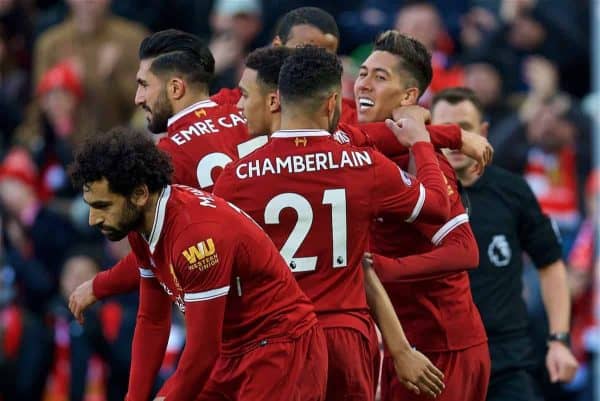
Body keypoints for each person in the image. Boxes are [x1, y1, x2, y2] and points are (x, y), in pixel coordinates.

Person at [214, 45, 449, 401]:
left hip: (275, 340)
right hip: (344, 336)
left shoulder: (235, 178)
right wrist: (421, 142)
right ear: (330, 103)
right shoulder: (363, 166)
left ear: (278, 100)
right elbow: (437, 206)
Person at [69, 127, 327, 401]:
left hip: (279, 347)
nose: (93, 219)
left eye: (103, 206)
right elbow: (153, 320)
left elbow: (203, 352)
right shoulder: (142, 226)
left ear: (140, 194)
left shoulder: (194, 239)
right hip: (232, 351)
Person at [356, 31, 490, 401]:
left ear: (408, 97)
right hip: (400, 343)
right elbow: (344, 137)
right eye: (363, 72)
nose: (363, 84)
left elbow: (465, 250)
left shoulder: (425, 164)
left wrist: (385, 268)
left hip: (442, 349)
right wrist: (450, 133)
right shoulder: (355, 142)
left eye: (380, 78)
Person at [430, 86, 578, 401]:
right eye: (445, 130)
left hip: (507, 361)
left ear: (483, 132)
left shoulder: (513, 191)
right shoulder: (413, 196)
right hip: (436, 363)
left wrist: (559, 339)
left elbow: (550, 263)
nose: (455, 139)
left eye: (464, 129)